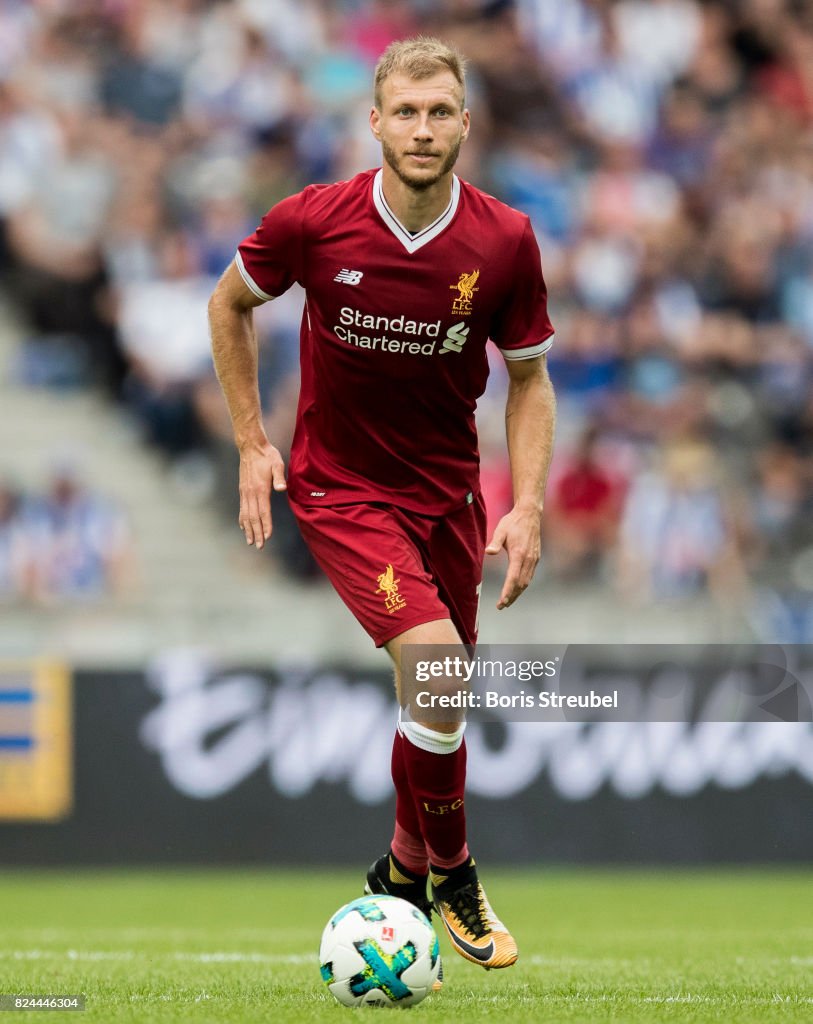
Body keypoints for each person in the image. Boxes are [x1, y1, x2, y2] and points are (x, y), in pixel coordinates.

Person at [208, 36, 556, 974]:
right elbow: (227, 305)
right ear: (373, 122)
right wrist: (251, 440)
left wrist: (525, 506)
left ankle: (401, 869)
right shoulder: (311, 222)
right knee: (437, 669)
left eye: (439, 111)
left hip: (448, 498)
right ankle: (454, 873)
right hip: (342, 487)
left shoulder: (504, 240)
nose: (421, 128)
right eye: (404, 112)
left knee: (437, 705)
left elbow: (529, 379)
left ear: (465, 124)